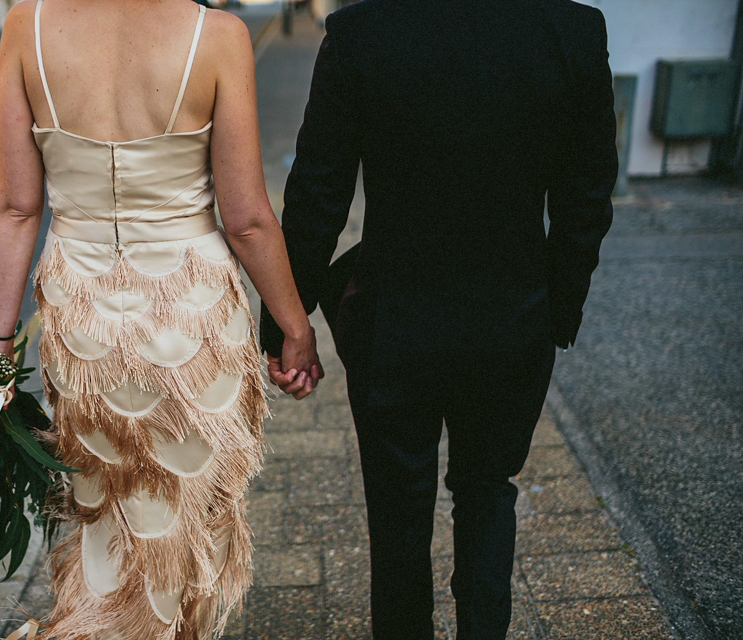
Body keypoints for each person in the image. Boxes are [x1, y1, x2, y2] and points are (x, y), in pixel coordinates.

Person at [0, 0, 321, 637]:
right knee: (187, 528)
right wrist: (294, 326)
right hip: (194, 317)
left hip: (83, 322)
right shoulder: (220, 37)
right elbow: (248, 219)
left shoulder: (27, 26)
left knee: (106, 520)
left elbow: (16, 206)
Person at [260, 0, 618, 638]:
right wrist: (559, 307)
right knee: (487, 491)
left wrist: (286, 325)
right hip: (512, 317)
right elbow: (586, 190)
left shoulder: (362, 30)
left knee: (397, 518)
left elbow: (319, 188)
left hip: (395, 320)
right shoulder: (572, 30)